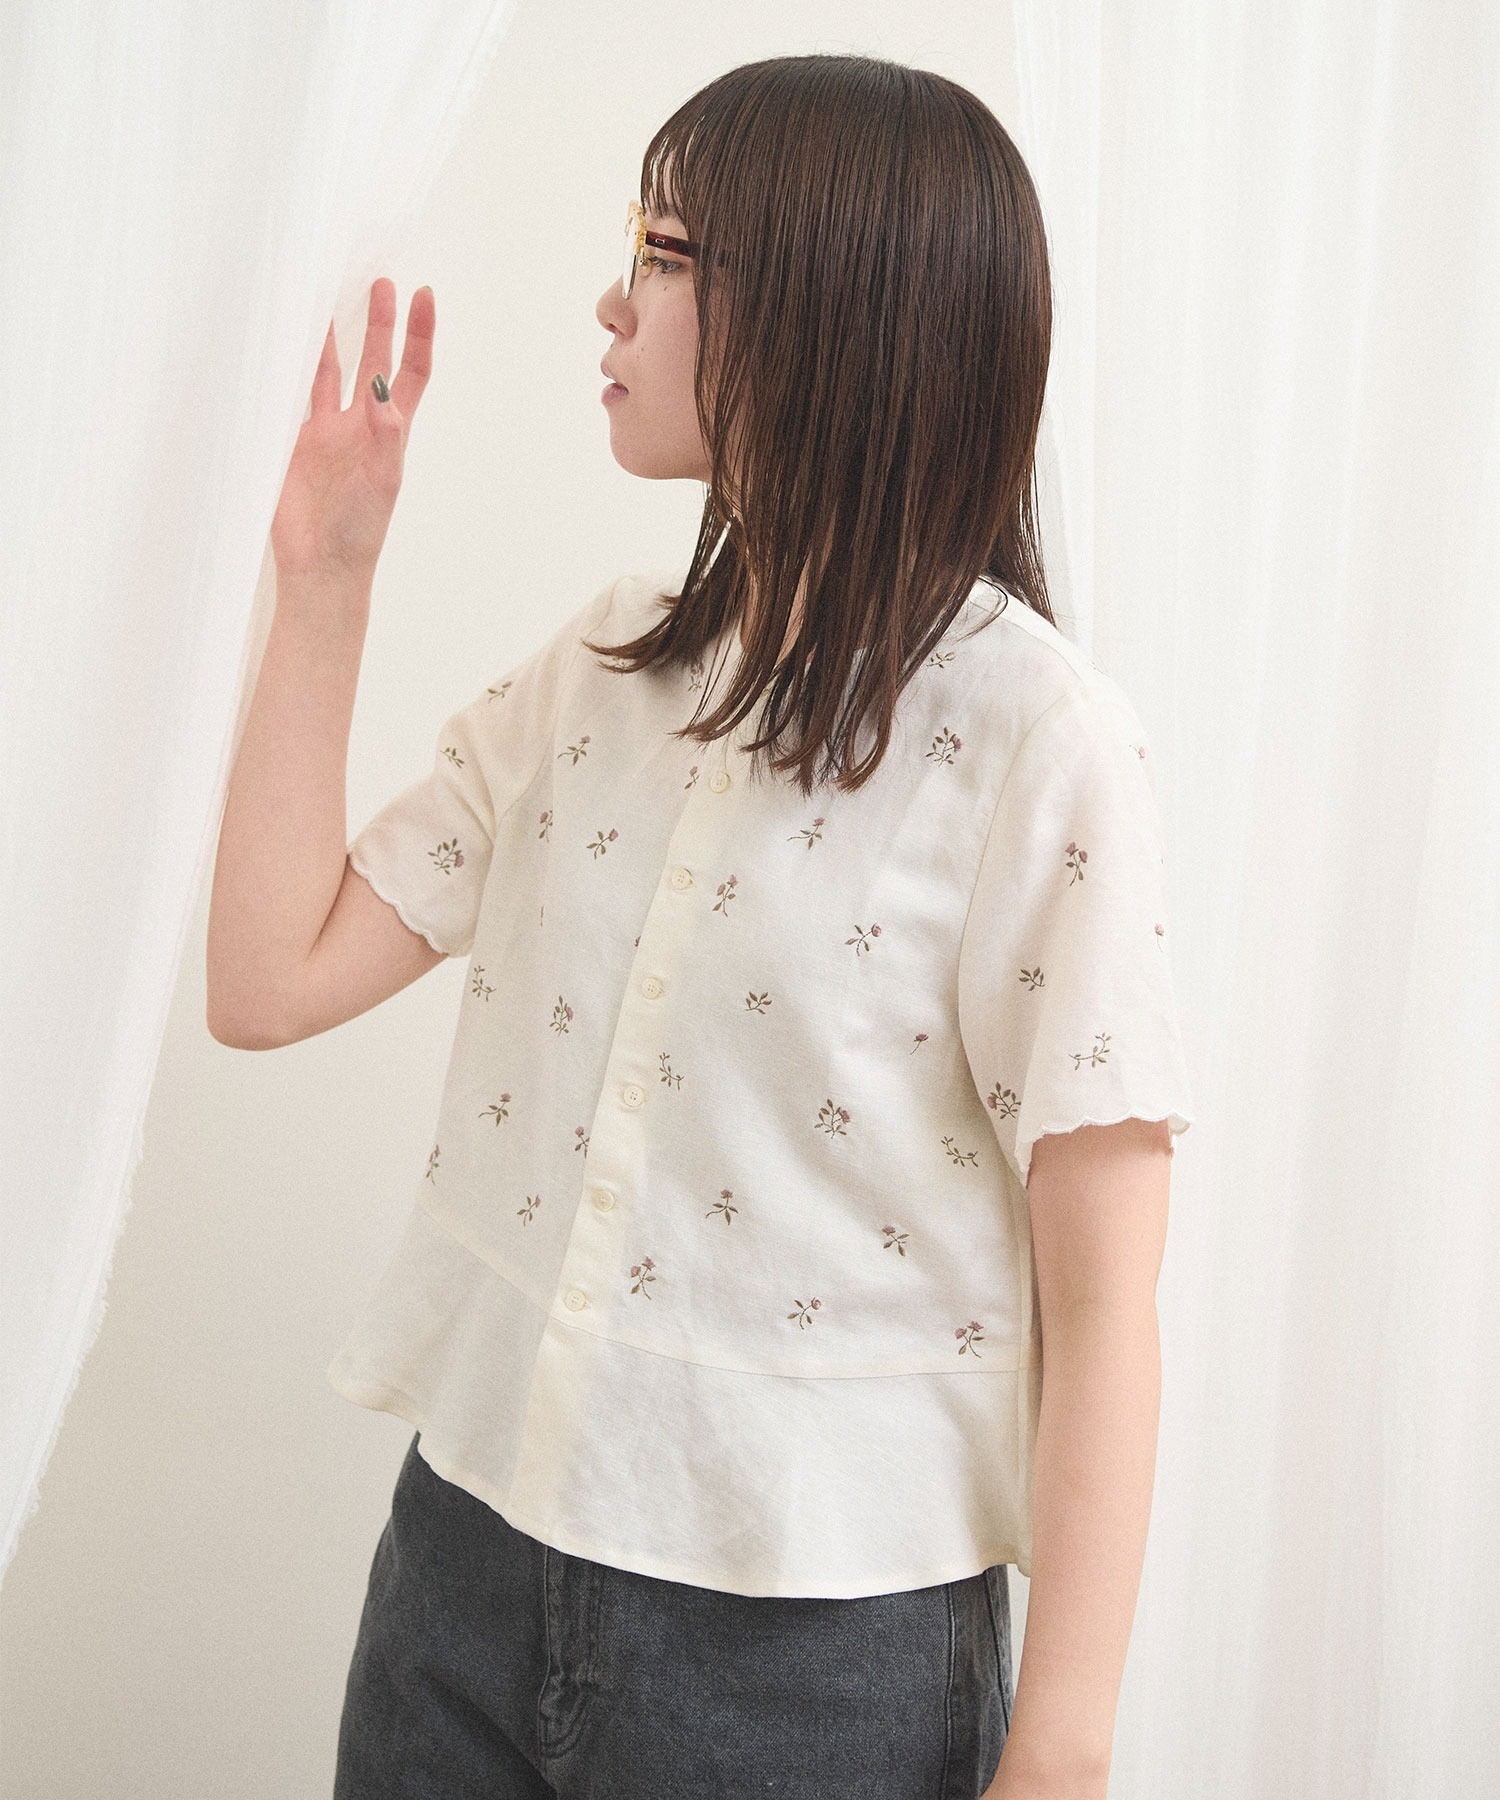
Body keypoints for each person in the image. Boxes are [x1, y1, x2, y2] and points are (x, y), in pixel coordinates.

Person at [207, 51, 1194, 1800]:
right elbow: (267, 979)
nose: (614, 302)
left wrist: (1061, 1748)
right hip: (467, 1563)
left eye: (665, 258)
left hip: (816, 1661)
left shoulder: (1040, 746)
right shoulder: (604, 668)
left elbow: (1107, 1301)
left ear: (830, 313)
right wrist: (327, 575)